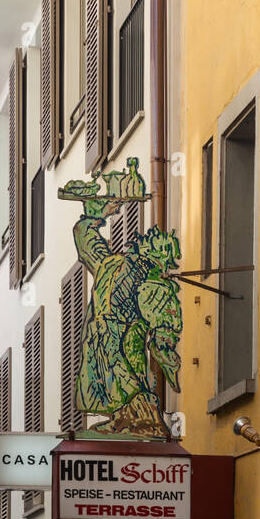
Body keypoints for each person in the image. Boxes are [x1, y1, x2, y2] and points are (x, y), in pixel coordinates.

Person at [58, 168, 182, 437]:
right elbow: (91, 249)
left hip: (122, 340)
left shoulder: (142, 278)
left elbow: (162, 325)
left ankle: (140, 422)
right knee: (115, 382)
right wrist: (93, 216)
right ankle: (123, 420)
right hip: (107, 342)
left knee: (129, 382)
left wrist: (166, 353)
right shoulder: (119, 268)